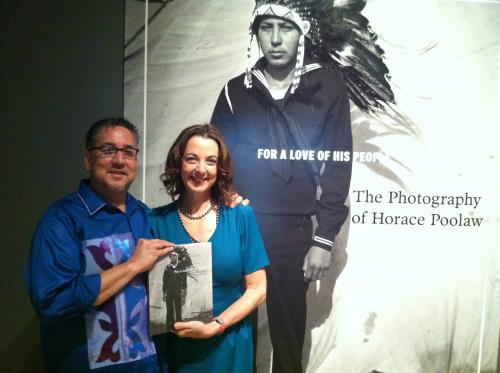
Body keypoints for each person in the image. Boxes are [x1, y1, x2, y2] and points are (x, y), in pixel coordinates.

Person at [211, 1, 353, 372]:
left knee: (288, 332)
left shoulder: (326, 85)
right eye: (266, 27)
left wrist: (324, 239)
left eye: (285, 28)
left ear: (302, 31)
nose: (274, 39)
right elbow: (216, 164)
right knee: (233, 326)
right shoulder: (235, 92)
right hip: (239, 226)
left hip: (293, 230)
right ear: (254, 32)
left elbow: (339, 165)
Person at [24, 117, 174, 372]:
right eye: (107, 150)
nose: (119, 160)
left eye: (128, 152)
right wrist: (132, 266)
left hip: (148, 366)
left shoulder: (143, 215)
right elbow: (54, 302)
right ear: (87, 159)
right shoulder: (62, 220)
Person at [149, 124, 269, 373]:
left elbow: (258, 289)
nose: (201, 170)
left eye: (210, 161)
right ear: (178, 163)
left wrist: (217, 325)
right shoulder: (155, 222)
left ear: (220, 168)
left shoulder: (240, 215)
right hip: (178, 350)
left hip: (230, 345)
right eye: (192, 159)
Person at [162, 248, 193, 330]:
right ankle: (169, 326)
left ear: (177, 257)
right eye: (171, 256)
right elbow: (164, 280)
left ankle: (179, 325)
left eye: (174, 256)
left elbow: (184, 279)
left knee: (178, 308)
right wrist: (164, 292)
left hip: (178, 291)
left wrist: (183, 290)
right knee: (169, 309)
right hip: (169, 291)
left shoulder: (181, 266)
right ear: (170, 257)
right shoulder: (167, 267)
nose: (173, 258)